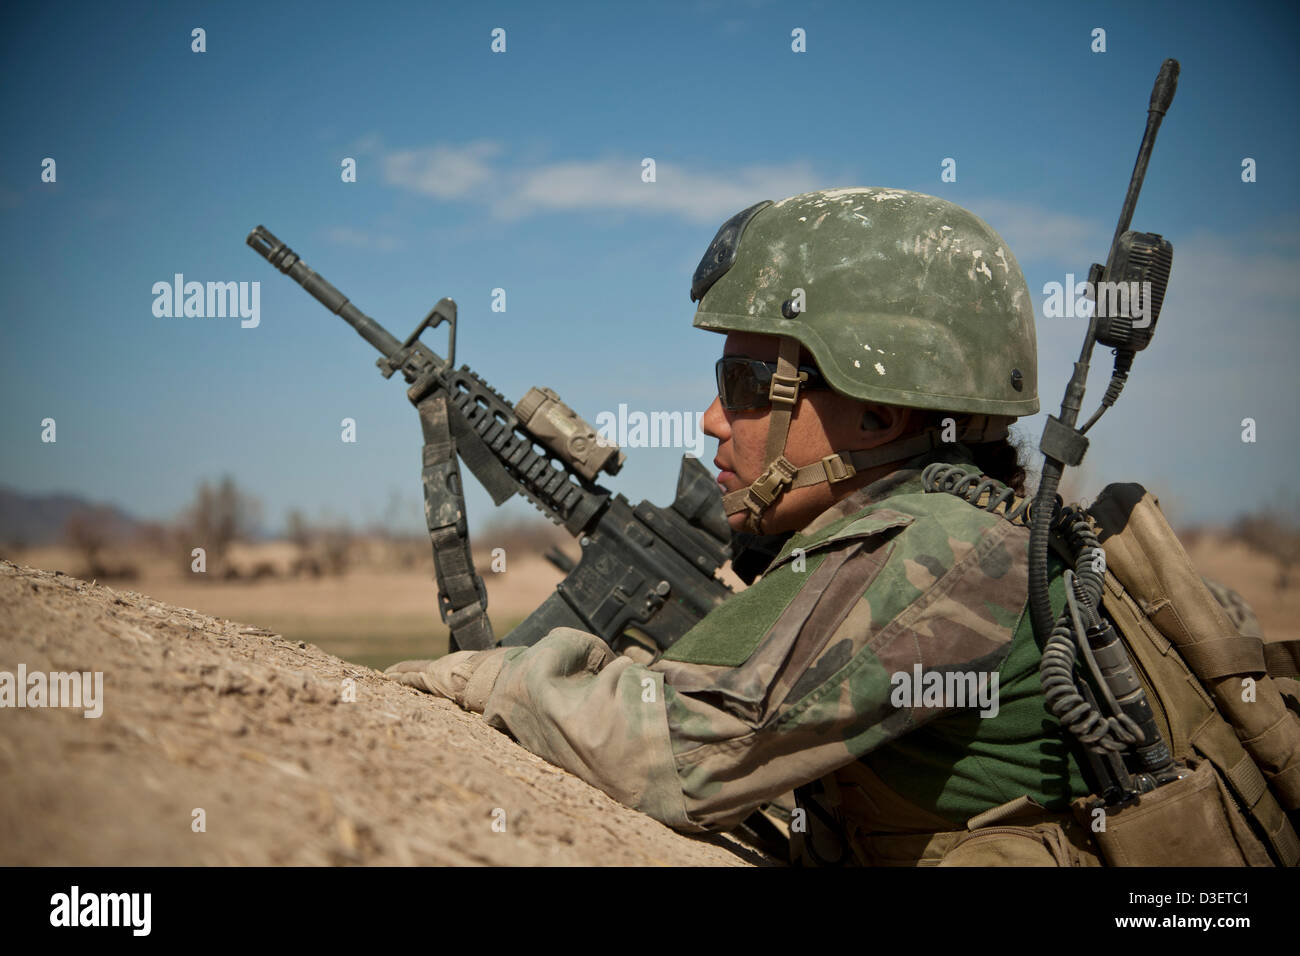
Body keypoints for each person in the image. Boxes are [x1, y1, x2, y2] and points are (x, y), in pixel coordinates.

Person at [384, 187, 1123, 865]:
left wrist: (470, 677)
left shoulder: (943, 545)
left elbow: (672, 755)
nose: (711, 419)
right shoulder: (964, 525)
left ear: (878, 413)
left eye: (743, 387)